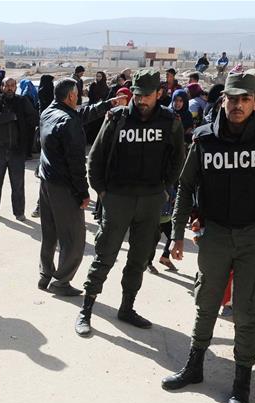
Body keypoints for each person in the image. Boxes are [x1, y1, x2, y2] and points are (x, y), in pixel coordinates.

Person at [162, 73, 255, 403]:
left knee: (246, 311)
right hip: (216, 234)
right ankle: (194, 367)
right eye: (231, 99)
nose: (237, 106)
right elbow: (186, 185)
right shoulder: (205, 139)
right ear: (223, 101)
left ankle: (241, 384)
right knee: (206, 302)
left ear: (254, 101)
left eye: (244, 100)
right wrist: (176, 234)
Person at [75, 69, 185, 335]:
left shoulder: (170, 121)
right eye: (137, 95)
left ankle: (127, 307)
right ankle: (86, 310)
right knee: (104, 256)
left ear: (159, 93)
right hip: (118, 199)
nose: (141, 100)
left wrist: (164, 189)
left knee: (138, 260)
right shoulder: (118, 118)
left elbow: (177, 160)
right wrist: (102, 192)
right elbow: (96, 158)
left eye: (146, 95)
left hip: (150, 201)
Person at [37, 78, 126, 294]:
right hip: (63, 187)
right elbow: (76, 164)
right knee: (74, 238)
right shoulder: (69, 122)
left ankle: (45, 275)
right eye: (77, 94)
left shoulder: (49, 112)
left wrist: (108, 103)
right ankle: (61, 282)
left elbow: (79, 115)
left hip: (46, 183)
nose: (79, 97)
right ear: (70, 97)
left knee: (50, 233)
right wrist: (83, 193)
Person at [0, 77, 39, 221]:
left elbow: (34, 118)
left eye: (13, 86)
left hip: (17, 150)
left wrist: (23, 123)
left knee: (18, 184)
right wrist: (12, 116)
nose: (10, 88)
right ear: (2, 87)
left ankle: (19, 212)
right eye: (7, 85)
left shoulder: (22, 101)